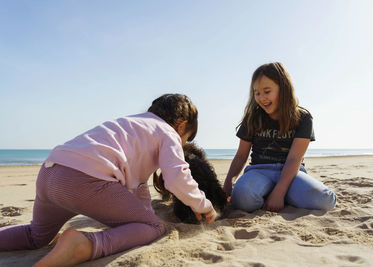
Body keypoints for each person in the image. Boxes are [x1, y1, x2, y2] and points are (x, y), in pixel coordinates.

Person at [0, 93, 217, 266]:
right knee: (152, 227)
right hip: (85, 181)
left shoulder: (130, 125)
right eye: (185, 139)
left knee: (35, 235)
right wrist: (204, 205)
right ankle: (82, 244)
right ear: (181, 125)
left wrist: (143, 214)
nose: (180, 144)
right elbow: (177, 178)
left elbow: (138, 188)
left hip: (50, 172)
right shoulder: (168, 133)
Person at [223, 62, 336, 213]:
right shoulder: (252, 118)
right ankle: (270, 192)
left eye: (267, 91)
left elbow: (294, 159)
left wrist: (279, 192)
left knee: (326, 201)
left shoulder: (303, 118)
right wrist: (229, 182)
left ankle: (280, 193)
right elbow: (241, 155)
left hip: (291, 173)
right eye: (257, 93)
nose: (262, 98)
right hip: (259, 171)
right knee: (242, 199)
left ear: (283, 89)